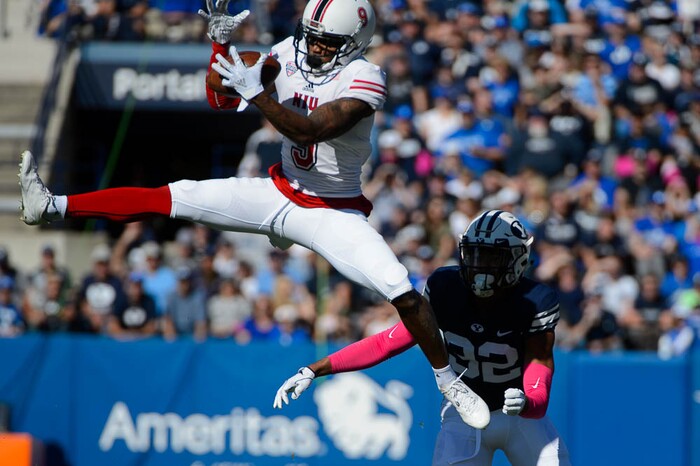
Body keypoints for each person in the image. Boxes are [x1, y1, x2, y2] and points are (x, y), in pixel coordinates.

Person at [17, 0, 486, 428]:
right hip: (277, 193)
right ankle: (53, 205)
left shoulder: (366, 77)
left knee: (402, 291)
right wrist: (219, 47)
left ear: (355, 44)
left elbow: (307, 132)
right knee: (171, 195)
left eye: (329, 41)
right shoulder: (290, 51)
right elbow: (219, 97)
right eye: (313, 35)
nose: (317, 48)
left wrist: (258, 93)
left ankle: (448, 381)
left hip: (332, 212)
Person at [273, 210, 571, 465]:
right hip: (463, 411)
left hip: (519, 414)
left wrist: (528, 402)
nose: (480, 265)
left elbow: (540, 364)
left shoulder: (534, 300)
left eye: (492, 257)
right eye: (476, 254)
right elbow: (387, 342)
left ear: (518, 260)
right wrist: (315, 368)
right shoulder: (446, 287)